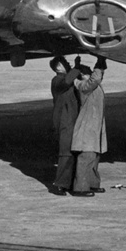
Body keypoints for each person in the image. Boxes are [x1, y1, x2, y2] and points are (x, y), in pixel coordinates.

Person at [69, 56, 109, 196]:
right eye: (88, 72)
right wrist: (99, 61)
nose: (90, 73)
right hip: (87, 127)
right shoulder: (83, 86)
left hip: (94, 126)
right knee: (86, 158)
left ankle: (92, 184)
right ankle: (80, 188)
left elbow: (98, 76)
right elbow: (96, 78)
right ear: (82, 75)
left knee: (94, 157)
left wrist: (101, 62)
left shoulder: (91, 84)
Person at [48, 57, 81, 195]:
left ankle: (69, 183)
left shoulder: (63, 80)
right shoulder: (57, 81)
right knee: (65, 153)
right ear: (58, 67)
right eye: (65, 63)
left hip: (70, 120)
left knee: (72, 152)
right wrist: (77, 67)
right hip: (64, 121)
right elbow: (68, 81)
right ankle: (61, 184)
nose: (67, 64)